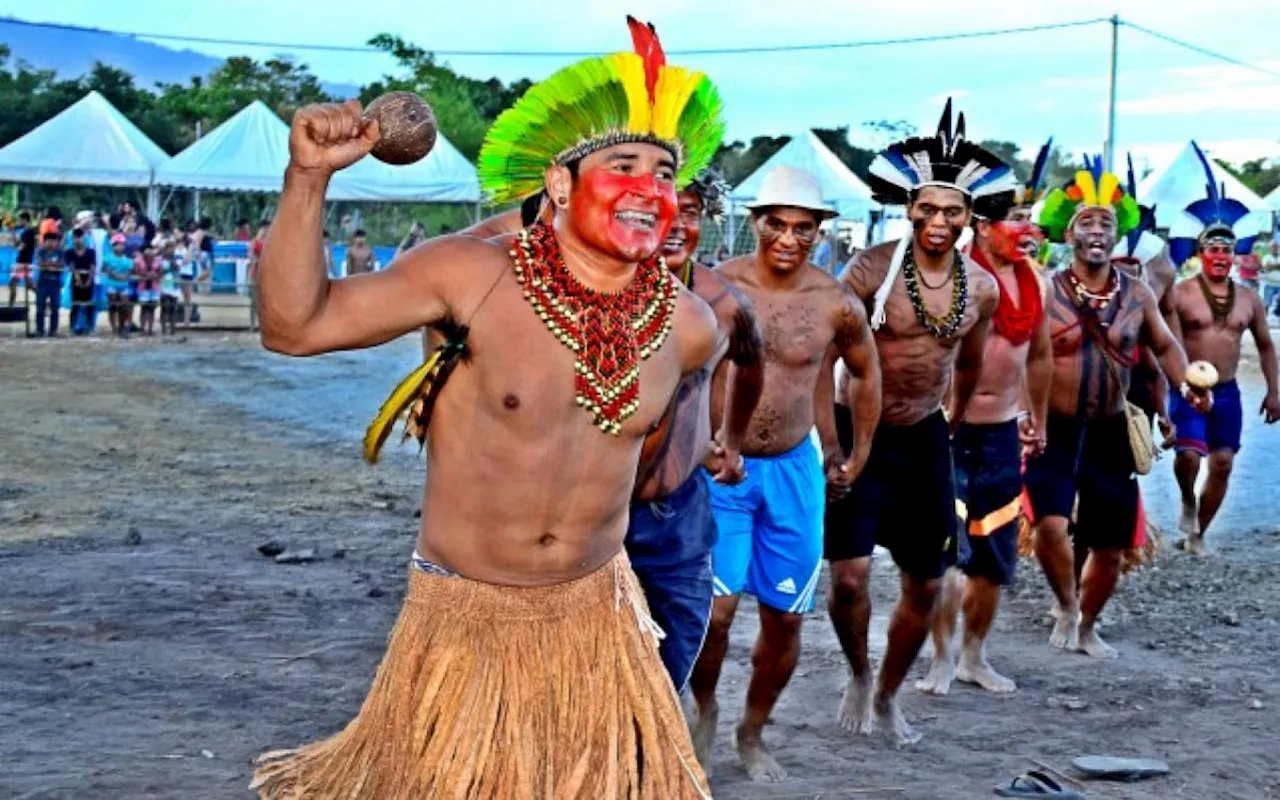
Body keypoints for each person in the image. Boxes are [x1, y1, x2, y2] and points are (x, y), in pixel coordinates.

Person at [250, 17, 724, 798]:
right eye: (625, 165)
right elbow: (292, 328)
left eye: (666, 175)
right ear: (561, 183)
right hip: (464, 622)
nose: (651, 190)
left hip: (596, 623)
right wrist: (309, 180)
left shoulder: (689, 327)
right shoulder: (469, 276)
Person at [687, 165, 880, 781]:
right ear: (755, 222)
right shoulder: (715, 288)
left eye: (803, 228)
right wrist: (697, 444)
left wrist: (856, 452)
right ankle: (705, 706)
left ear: (821, 231)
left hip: (795, 475)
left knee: (785, 615)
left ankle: (753, 730)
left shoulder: (836, 303)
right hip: (725, 472)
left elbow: (864, 374)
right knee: (714, 612)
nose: (789, 239)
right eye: (777, 225)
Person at [830, 100, 1007, 745]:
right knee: (848, 579)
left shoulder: (981, 288)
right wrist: (831, 441)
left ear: (969, 217)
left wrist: (951, 422)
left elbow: (971, 362)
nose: (938, 221)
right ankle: (856, 672)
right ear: (908, 209)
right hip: (857, 431)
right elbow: (830, 354)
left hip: (925, 437)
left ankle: (887, 695)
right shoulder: (871, 270)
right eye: (927, 208)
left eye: (952, 211)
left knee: (927, 584)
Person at [1027, 159, 1210, 660]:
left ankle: (1086, 625)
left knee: (1109, 545)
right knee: (1048, 526)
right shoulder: (1044, 290)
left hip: (1109, 431)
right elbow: (1017, 353)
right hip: (1055, 430)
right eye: (1086, 221)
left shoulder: (1137, 294)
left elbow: (1166, 347)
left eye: (1106, 223)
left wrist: (1187, 386)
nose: (1097, 230)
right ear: (1068, 233)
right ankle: (1065, 604)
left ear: (1119, 234)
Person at [915, 185, 1052, 696]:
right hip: (947, 430)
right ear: (985, 227)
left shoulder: (1037, 284)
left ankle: (975, 656)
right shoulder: (954, 277)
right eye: (1015, 219)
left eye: (1027, 219)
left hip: (1001, 432)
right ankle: (940, 659)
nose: (1026, 230)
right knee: (946, 554)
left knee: (994, 555)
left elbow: (1038, 357)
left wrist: (1037, 417)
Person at [1165, 149, 1280, 553]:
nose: (1220, 256)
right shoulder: (1180, 295)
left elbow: (1266, 346)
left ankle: (1198, 534)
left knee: (1223, 463)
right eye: (1213, 250)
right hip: (1188, 387)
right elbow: (1167, 344)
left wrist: (1274, 390)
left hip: (1228, 391)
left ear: (1235, 255)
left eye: (1227, 251)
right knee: (1190, 458)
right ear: (1200, 253)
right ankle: (1185, 499)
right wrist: (1173, 389)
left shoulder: (1249, 298)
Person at [1112, 154, 1180, 439]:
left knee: (1126, 465)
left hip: (1134, 377)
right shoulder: (1069, 282)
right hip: (1081, 393)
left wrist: (1167, 411)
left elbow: (1162, 348)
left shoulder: (1159, 270)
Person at [33, 231, 67, 337]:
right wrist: (53, 266)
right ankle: (40, 330)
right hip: (42, 283)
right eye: (49, 241)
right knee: (40, 308)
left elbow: (61, 264)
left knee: (55, 308)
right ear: (44, 241)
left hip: (55, 284)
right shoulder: (40, 251)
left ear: (57, 242)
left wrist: (49, 265)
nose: (51, 243)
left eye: (53, 241)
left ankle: (53, 330)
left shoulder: (60, 252)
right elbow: (41, 263)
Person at [66, 228, 98, 336]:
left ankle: (90, 327)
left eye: (80, 237)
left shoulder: (91, 252)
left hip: (89, 279)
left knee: (89, 305)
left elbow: (93, 266)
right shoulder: (69, 252)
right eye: (75, 238)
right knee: (75, 304)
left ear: (84, 238)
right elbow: (72, 267)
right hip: (75, 280)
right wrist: (78, 279)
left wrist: (89, 280)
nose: (77, 240)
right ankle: (72, 327)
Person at [102, 234, 134, 336]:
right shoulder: (107, 258)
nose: (120, 247)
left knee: (124, 306)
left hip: (124, 284)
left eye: (121, 245)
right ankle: (114, 328)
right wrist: (113, 274)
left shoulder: (128, 260)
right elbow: (104, 268)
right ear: (113, 246)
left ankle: (121, 326)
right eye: (117, 245)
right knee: (113, 305)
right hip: (111, 284)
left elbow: (129, 272)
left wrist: (122, 277)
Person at [134, 244, 164, 336]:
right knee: (144, 308)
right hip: (143, 286)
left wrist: (155, 275)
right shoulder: (138, 261)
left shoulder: (157, 261)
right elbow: (135, 271)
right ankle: (143, 329)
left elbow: (161, 272)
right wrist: (145, 274)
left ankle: (150, 329)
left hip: (154, 287)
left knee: (152, 308)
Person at [10, 210, 36, 307]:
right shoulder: (27, 232)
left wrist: (17, 242)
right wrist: (13, 234)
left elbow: (20, 247)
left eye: (20, 220)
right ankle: (42, 301)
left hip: (23, 262)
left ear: (25, 220)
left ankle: (11, 305)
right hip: (25, 261)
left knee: (12, 283)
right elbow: (18, 244)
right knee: (29, 284)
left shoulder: (28, 232)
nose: (19, 222)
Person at [247, 222, 268, 332]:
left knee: (264, 302)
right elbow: (251, 258)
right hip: (256, 274)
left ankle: (261, 324)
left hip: (266, 275)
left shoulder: (270, 243)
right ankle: (253, 324)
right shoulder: (254, 243)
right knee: (254, 302)